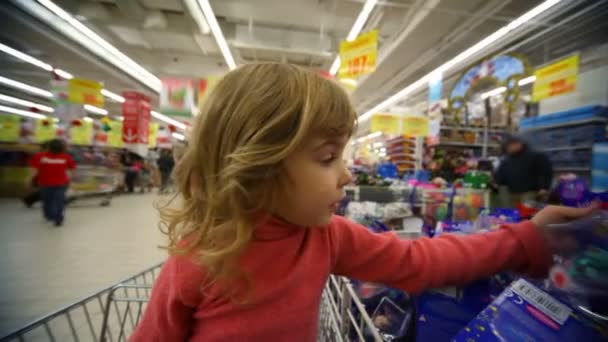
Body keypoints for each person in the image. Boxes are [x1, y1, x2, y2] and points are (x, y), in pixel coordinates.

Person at [131, 64, 596, 341]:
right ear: (257, 167)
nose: (348, 174)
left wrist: (525, 237)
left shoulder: (325, 237)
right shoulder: (205, 253)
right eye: (328, 158)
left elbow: (420, 260)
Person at [495, 135, 553, 207]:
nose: (509, 149)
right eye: (507, 147)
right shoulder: (506, 160)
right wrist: (497, 182)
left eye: (510, 146)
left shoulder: (536, 155)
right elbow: (501, 174)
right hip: (512, 192)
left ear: (518, 144)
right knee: (513, 213)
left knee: (527, 212)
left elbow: (545, 171)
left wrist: (544, 187)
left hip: (530, 192)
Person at [29, 138, 76, 226]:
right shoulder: (40, 156)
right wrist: (30, 179)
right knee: (49, 201)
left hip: (58, 184)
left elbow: (72, 169)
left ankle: (58, 218)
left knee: (57, 201)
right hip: (46, 184)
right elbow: (35, 170)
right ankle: (50, 216)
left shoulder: (65, 157)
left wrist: (70, 179)